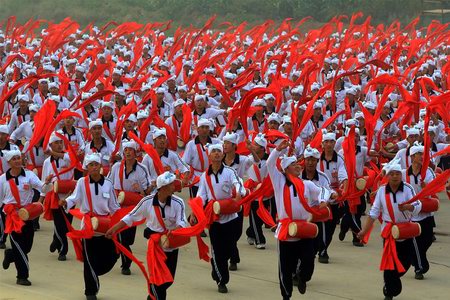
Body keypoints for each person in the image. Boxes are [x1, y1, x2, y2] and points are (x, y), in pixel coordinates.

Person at [267, 140, 335, 300]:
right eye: (294, 164)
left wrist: (327, 198)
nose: (299, 166)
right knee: (285, 268)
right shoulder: (279, 182)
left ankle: (303, 278)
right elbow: (270, 164)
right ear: (285, 170)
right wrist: (277, 150)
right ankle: (286, 296)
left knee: (308, 262)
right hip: (286, 231)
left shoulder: (307, 184)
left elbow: (323, 191)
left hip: (304, 230)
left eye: (299, 164)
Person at [106, 171, 188, 300]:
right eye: (172, 184)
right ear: (163, 188)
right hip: (154, 247)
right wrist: (114, 229)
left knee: (168, 280)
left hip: (171, 245)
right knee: (157, 280)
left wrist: (174, 231)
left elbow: (182, 222)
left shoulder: (178, 202)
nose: (175, 186)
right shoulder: (147, 201)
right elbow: (131, 217)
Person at [358, 161, 422, 300]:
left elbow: (418, 204)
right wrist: (364, 231)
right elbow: (374, 213)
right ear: (387, 176)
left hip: (406, 231)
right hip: (389, 233)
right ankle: (389, 291)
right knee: (389, 264)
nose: (395, 176)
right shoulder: (382, 191)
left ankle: (391, 282)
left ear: (401, 175)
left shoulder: (408, 188)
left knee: (406, 263)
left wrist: (408, 207)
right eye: (392, 174)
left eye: (397, 174)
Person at [60, 153, 120, 300]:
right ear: (86, 168)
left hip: (105, 225)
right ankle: (90, 292)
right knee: (89, 260)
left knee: (112, 255)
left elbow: (113, 206)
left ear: (100, 166)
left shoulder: (108, 184)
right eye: (90, 165)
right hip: (88, 226)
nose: (94, 168)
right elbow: (75, 198)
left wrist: (120, 221)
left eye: (96, 165)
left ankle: (95, 274)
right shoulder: (82, 182)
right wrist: (66, 202)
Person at [195, 143, 246, 293]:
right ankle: (221, 280)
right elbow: (201, 195)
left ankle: (216, 264)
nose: (217, 154)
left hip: (230, 217)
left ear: (223, 155)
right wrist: (195, 210)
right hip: (215, 218)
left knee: (229, 248)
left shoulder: (229, 172)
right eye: (213, 151)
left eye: (219, 151)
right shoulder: (205, 176)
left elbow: (238, 184)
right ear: (209, 156)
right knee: (217, 250)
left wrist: (238, 193)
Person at [1, 149, 51, 286]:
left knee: (26, 247)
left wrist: (46, 183)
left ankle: (10, 255)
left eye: (19, 158)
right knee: (19, 245)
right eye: (14, 159)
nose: (18, 161)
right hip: (11, 217)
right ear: (9, 162)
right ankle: (22, 276)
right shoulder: (2, 179)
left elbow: (42, 188)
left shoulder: (29, 175)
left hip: (27, 214)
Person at [108, 140, 152, 275]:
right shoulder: (116, 167)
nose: (127, 152)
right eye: (126, 150)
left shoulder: (141, 168)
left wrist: (143, 191)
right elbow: (109, 182)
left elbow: (147, 188)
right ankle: (126, 263)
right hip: (118, 206)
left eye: (130, 150)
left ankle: (124, 256)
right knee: (120, 234)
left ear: (135, 153)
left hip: (133, 207)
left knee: (128, 238)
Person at [401, 143, 436, 280]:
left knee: (427, 240)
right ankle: (419, 268)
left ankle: (417, 260)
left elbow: (434, 190)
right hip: (411, 215)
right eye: (419, 154)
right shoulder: (403, 174)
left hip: (426, 213)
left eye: (423, 154)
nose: (422, 157)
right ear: (412, 157)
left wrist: (426, 187)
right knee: (415, 242)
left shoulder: (428, 172)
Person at [41, 131, 75, 261]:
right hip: (55, 196)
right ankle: (63, 250)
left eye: (61, 142)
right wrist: (47, 183)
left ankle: (56, 239)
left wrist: (52, 153)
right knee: (59, 223)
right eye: (56, 143)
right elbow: (44, 182)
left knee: (66, 225)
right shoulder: (46, 163)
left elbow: (67, 158)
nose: (60, 145)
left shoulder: (69, 156)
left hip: (69, 196)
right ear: (51, 145)